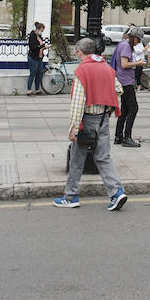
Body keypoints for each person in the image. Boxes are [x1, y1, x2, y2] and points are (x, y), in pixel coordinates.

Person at [53, 38, 127, 211]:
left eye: (76, 51)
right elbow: (118, 89)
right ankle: (116, 192)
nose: (75, 54)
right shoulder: (107, 68)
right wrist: (108, 108)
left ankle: (71, 196)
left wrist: (73, 127)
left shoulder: (82, 70)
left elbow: (78, 102)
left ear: (80, 51)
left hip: (87, 120)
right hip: (103, 119)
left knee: (77, 159)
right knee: (103, 157)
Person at [112, 27, 143, 147]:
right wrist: (138, 63)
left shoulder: (122, 44)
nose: (138, 42)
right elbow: (124, 64)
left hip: (123, 80)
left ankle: (118, 136)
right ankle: (127, 137)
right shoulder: (126, 46)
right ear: (133, 37)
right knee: (134, 108)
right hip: (126, 82)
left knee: (125, 109)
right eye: (138, 40)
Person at [26, 22, 48, 96]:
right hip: (33, 58)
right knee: (33, 73)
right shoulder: (32, 36)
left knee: (39, 74)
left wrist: (44, 47)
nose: (42, 32)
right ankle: (29, 90)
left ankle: (37, 90)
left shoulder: (39, 36)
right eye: (41, 30)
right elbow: (34, 47)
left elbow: (40, 47)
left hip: (39, 58)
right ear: (37, 29)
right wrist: (43, 46)